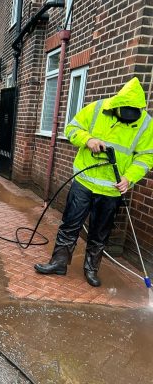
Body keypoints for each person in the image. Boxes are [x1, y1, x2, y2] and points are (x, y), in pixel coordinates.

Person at [34, 77, 153, 287]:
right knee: (70, 224)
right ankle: (58, 263)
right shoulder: (97, 109)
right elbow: (70, 129)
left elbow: (146, 157)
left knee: (100, 232)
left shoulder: (145, 123)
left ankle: (91, 269)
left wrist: (129, 178)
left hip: (112, 190)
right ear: (117, 105)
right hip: (84, 182)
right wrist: (88, 140)